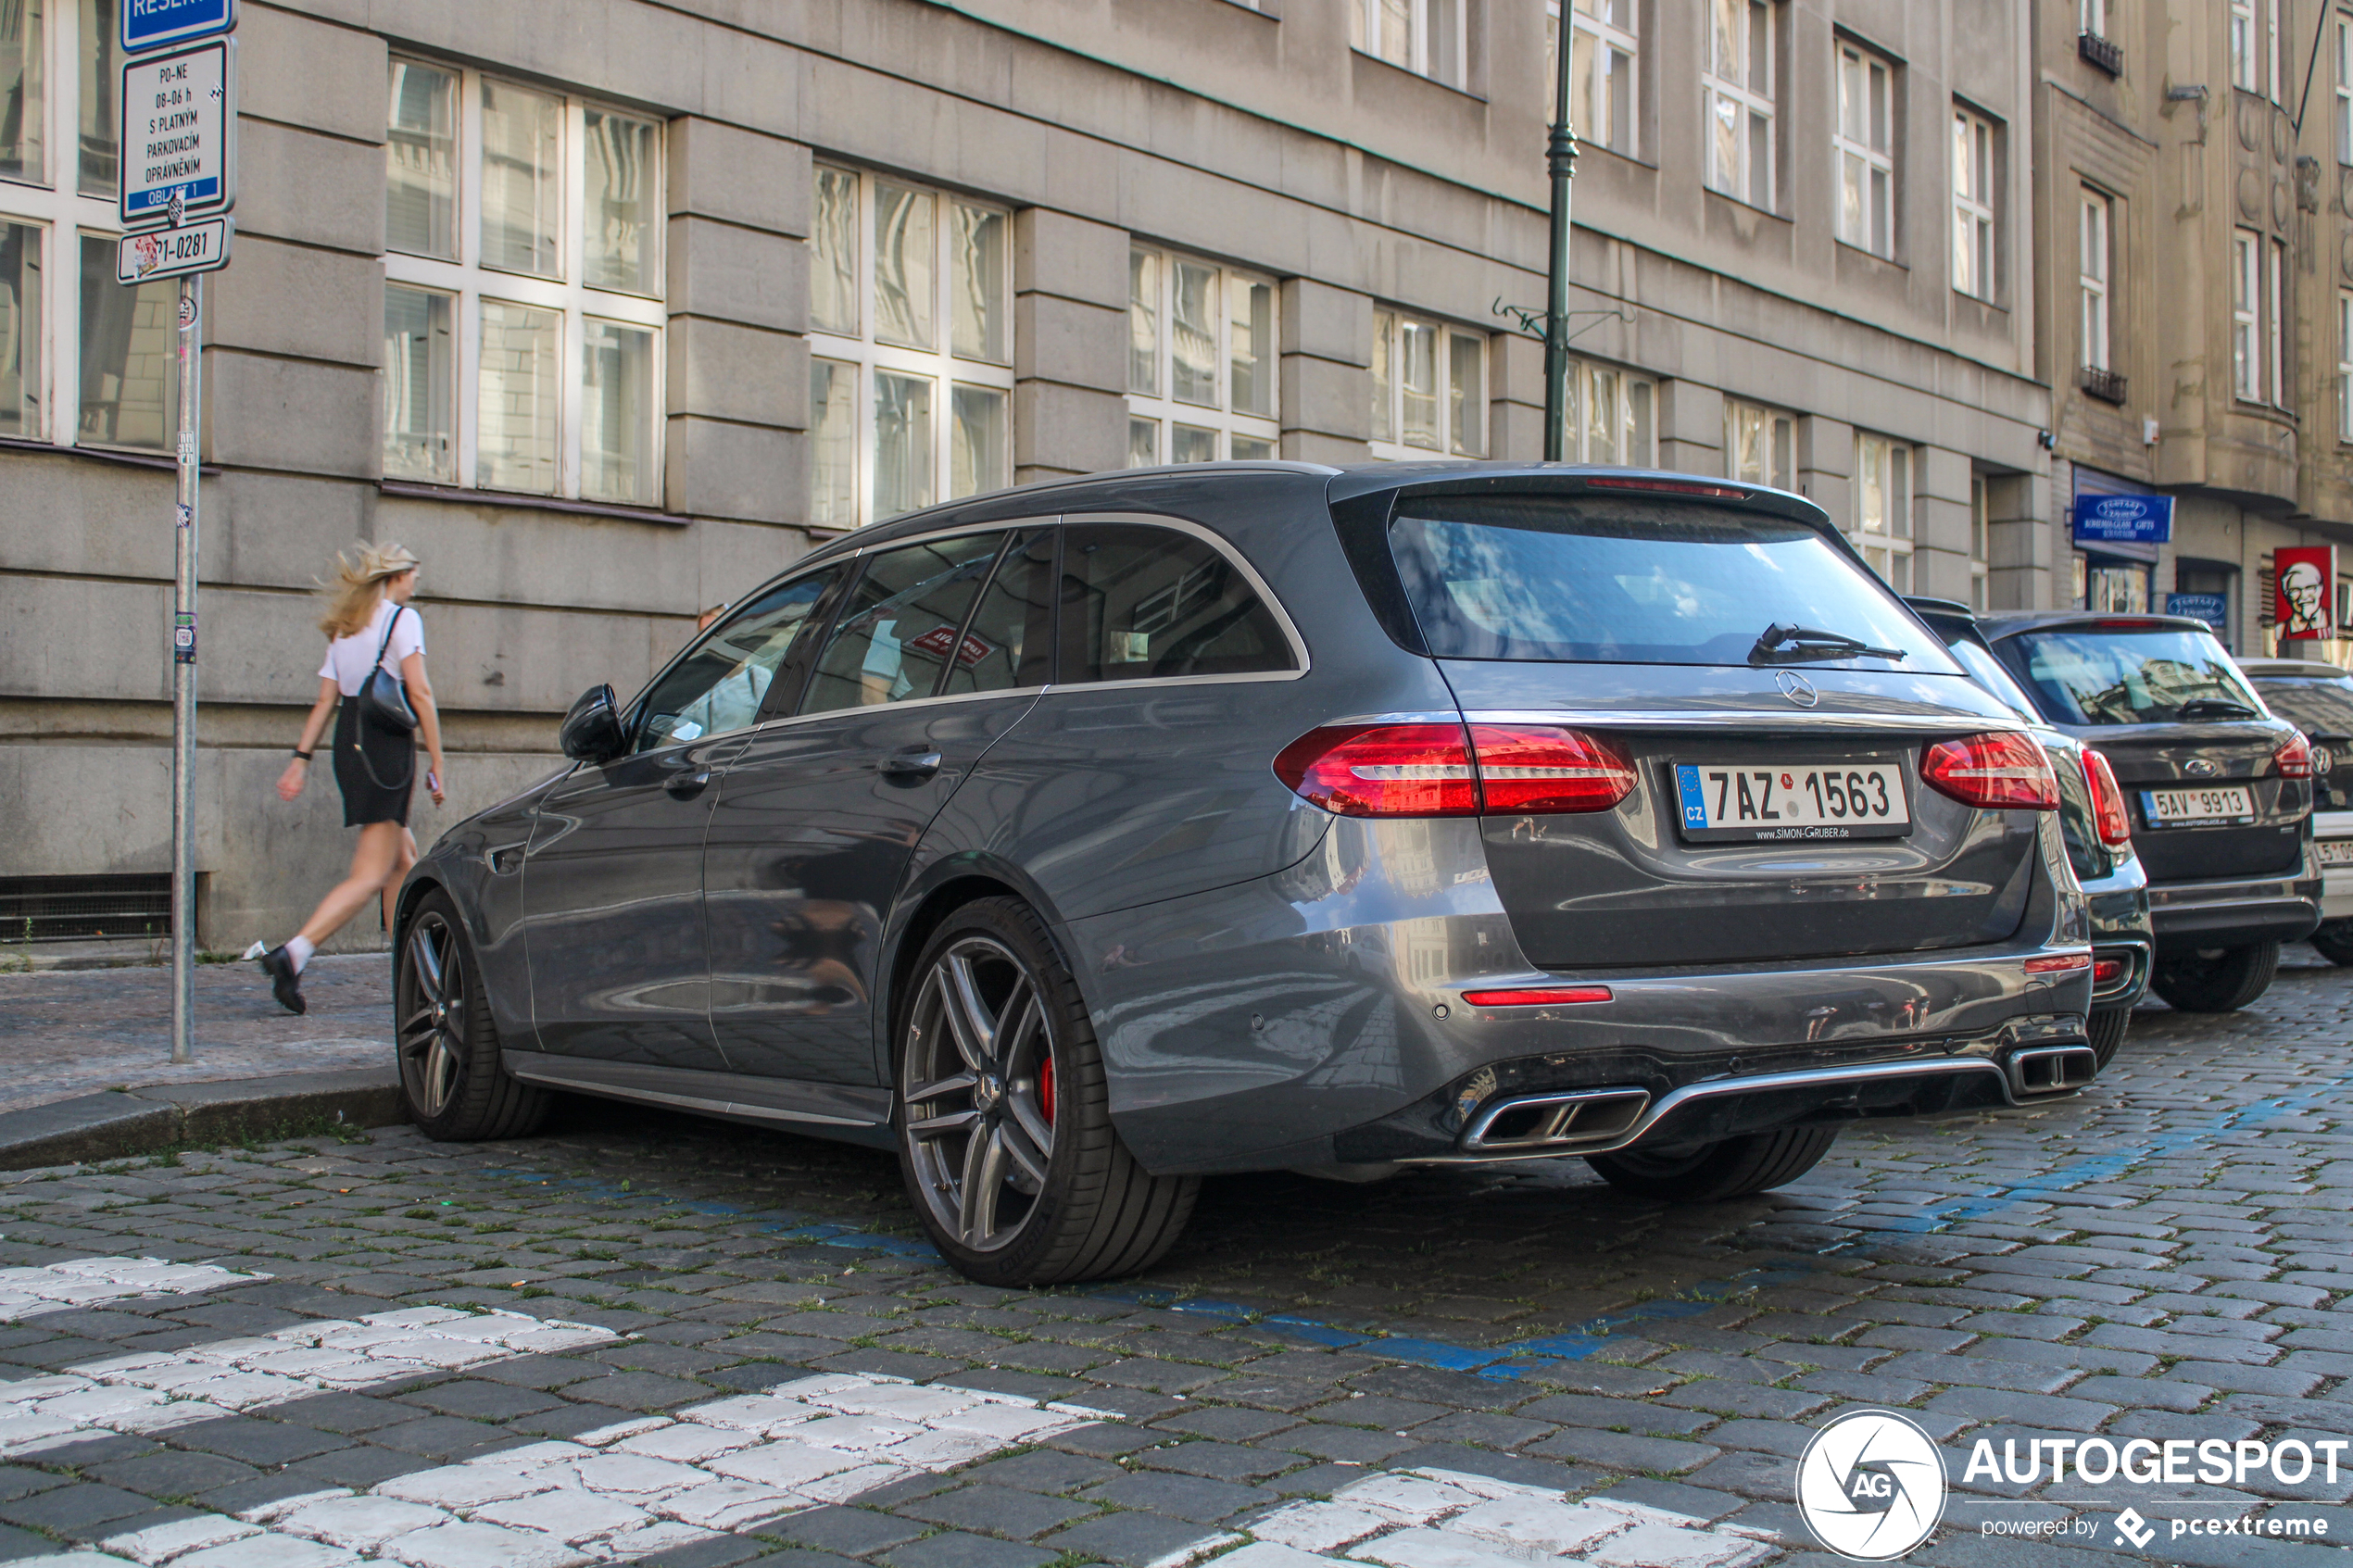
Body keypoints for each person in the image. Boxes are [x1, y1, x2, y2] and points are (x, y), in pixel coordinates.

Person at [257, 544, 447, 1014]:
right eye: (412, 573)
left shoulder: (347, 626)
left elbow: (325, 701)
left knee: (402, 862)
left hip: (350, 743)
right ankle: (294, 953)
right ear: (395, 576)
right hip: (385, 748)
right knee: (370, 873)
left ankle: (413, 977)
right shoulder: (403, 621)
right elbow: (419, 691)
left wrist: (301, 758)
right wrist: (439, 761)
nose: (416, 581)